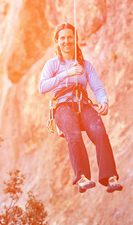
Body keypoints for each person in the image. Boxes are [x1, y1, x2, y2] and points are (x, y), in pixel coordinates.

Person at [38, 22, 122, 193]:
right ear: (57, 41)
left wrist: (104, 101)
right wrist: (66, 74)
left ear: (75, 39)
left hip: (83, 103)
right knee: (74, 134)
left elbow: (97, 87)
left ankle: (110, 176)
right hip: (62, 106)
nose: (66, 41)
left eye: (70, 37)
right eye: (62, 38)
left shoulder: (85, 65)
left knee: (99, 131)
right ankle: (82, 177)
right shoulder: (52, 65)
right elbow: (42, 87)